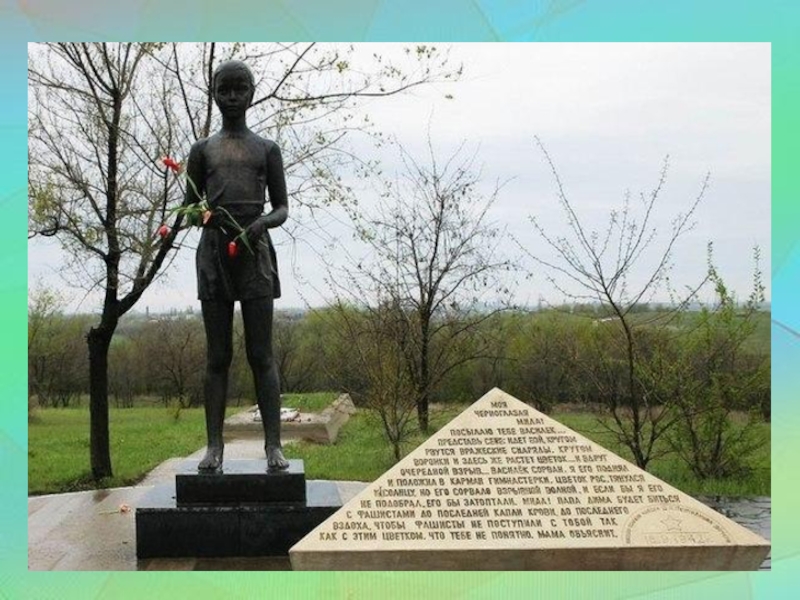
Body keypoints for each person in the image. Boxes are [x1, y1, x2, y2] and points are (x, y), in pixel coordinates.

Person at [184, 59, 289, 472]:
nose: (231, 97)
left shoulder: (266, 149)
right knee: (217, 356)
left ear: (251, 93)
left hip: (254, 253)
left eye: (239, 89)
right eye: (224, 89)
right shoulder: (202, 151)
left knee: (261, 354)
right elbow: (190, 208)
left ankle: (273, 445)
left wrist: (260, 224)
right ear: (213, 93)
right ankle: (214, 447)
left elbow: (282, 207)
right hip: (215, 256)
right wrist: (204, 216)